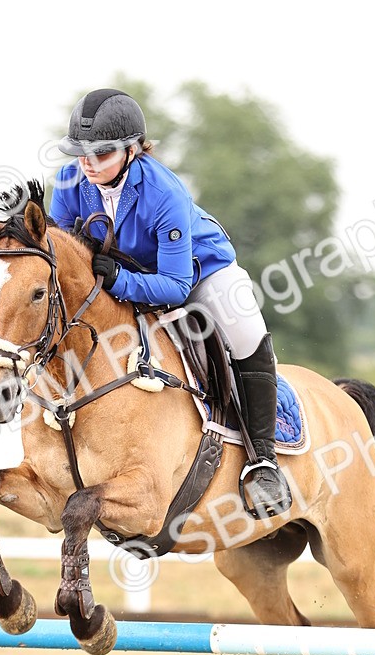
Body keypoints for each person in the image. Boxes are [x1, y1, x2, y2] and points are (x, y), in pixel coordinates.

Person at [49, 87, 292, 518]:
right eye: (81, 153)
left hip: (200, 272)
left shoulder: (164, 193)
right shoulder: (71, 181)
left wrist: (120, 280)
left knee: (246, 332)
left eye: (100, 154)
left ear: (131, 150)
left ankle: (264, 461)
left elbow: (176, 286)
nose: (87, 163)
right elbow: (62, 253)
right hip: (125, 275)